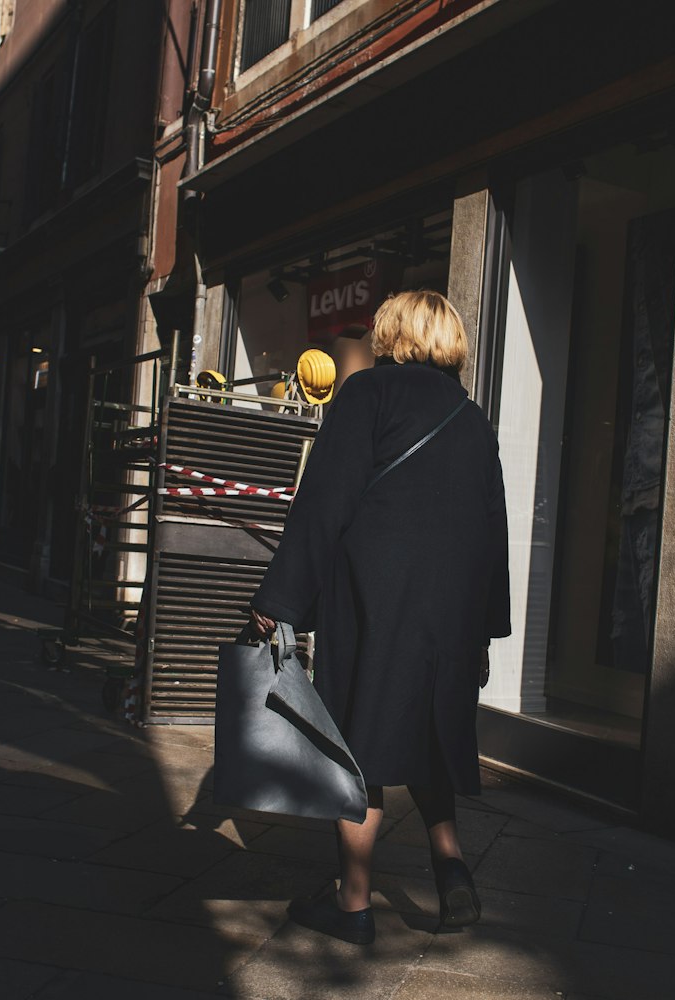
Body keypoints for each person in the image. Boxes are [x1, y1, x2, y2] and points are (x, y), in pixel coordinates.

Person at [248, 289, 511, 945]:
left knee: (357, 743)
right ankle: (452, 872)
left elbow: (324, 506)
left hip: (376, 600)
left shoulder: (366, 396)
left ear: (393, 334)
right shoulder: (473, 419)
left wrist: (278, 599)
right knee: (429, 736)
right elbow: (493, 533)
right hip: (449, 615)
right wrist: (483, 632)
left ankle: (353, 903)